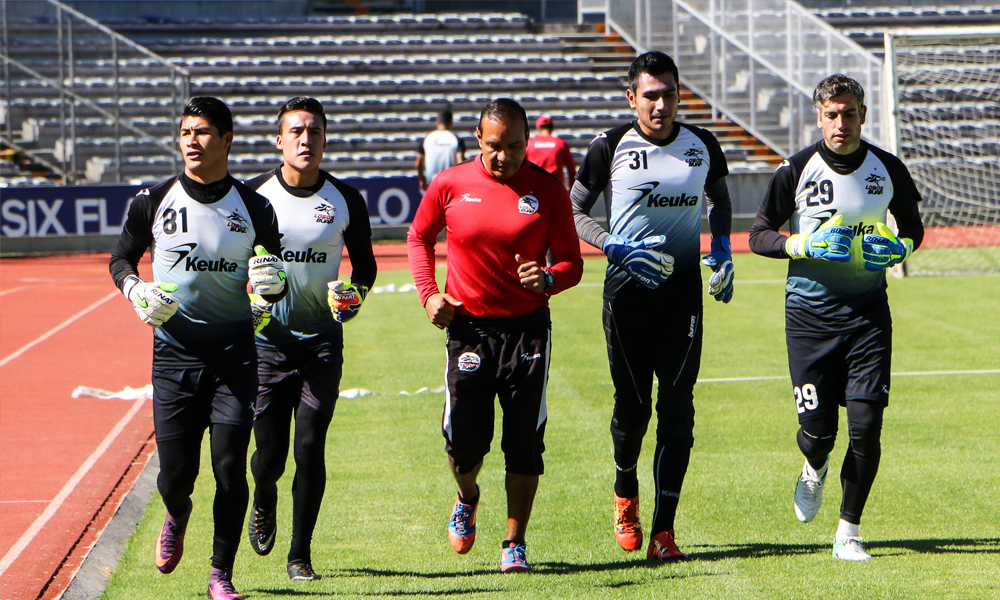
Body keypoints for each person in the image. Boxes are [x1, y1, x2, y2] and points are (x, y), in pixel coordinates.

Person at [109, 96, 287, 600]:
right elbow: (120, 259)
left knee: (230, 465)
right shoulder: (153, 199)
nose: (192, 140)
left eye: (203, 132)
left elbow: (273, 283)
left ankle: (220, 574)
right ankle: (177, 512)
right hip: (173, 358)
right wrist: (136, 290)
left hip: (235, 356)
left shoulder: (255, 207)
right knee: (175, 477)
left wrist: (270, 292)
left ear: (227, 140)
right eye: (186, 131)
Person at [749, 74, 924, 561]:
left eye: (849, 113)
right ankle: (814, 467)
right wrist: (801, 244)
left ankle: (848, 530)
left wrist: (899, 248)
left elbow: (912, 227)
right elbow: (759, 234)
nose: (841, 123)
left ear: (863, 115)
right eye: (831, 114)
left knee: (867, 426)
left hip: (868, 316)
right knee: (819, 432)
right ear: (819, 116)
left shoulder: (888, 168)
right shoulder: (796, 169)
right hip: (809, 316)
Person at [407, 98, 583, 573]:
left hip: (527, 331)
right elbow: (418, 237)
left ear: (527, 141)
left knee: (523, 440)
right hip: (467, 329)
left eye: (513, 146)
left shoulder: (548, 191)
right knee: (463, 443)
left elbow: (572, 263)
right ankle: (467, 496)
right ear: (477, 140)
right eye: (493, 146)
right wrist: (429, 295)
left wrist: (547, 278)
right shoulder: (450, 184)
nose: (503, 156)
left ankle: (514, 542)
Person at [572, 51, 735, 561]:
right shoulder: (609, 146)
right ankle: (626, 493)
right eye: (650, 95)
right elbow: (573, 209)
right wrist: (612, 244)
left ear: (678, 94)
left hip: (682, 297)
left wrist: (723, 246)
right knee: (633, 409)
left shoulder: (702, 145)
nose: (660, 104)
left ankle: (664, 532)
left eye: (668, 93)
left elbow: (720, 199)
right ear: (631, 98)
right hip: (625, 298)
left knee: (678, 410)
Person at [243, 97, 377, 581]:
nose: (306, 140)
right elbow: (233, 264)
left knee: (310, 448)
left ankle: (300, 555)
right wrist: (250, 300)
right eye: (296, 132)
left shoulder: (345, 200)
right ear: (279, 140)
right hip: (266, 345)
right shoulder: (255, 200)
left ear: (325, 139)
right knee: (270, 457)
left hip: (322, 344)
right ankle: (263, 494)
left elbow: (365, 265)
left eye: (315, 132)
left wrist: (354, 296)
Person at [416, 109, 466, 192]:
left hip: (432, 183)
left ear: (437, 122)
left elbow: (418, 163)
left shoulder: (427, 139)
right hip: (450, 184)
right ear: (451, 124)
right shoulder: (456, 139)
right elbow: (460, 162)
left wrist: (421, 178)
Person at [526, 115, 576, 190]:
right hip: (555, 188)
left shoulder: (529, 144)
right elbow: (571, 169)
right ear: (552, 128)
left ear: (538, 128)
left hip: (533, 188)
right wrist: (571, 187)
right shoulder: (560, 143)